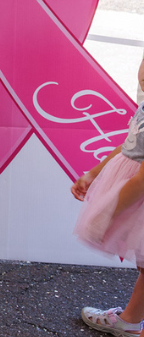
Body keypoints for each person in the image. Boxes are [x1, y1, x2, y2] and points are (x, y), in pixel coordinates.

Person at [71, 58, 144, 336]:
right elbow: (128, 146)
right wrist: (93, 173)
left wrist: (106, 214)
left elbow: (141, 182)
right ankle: (130, 321)